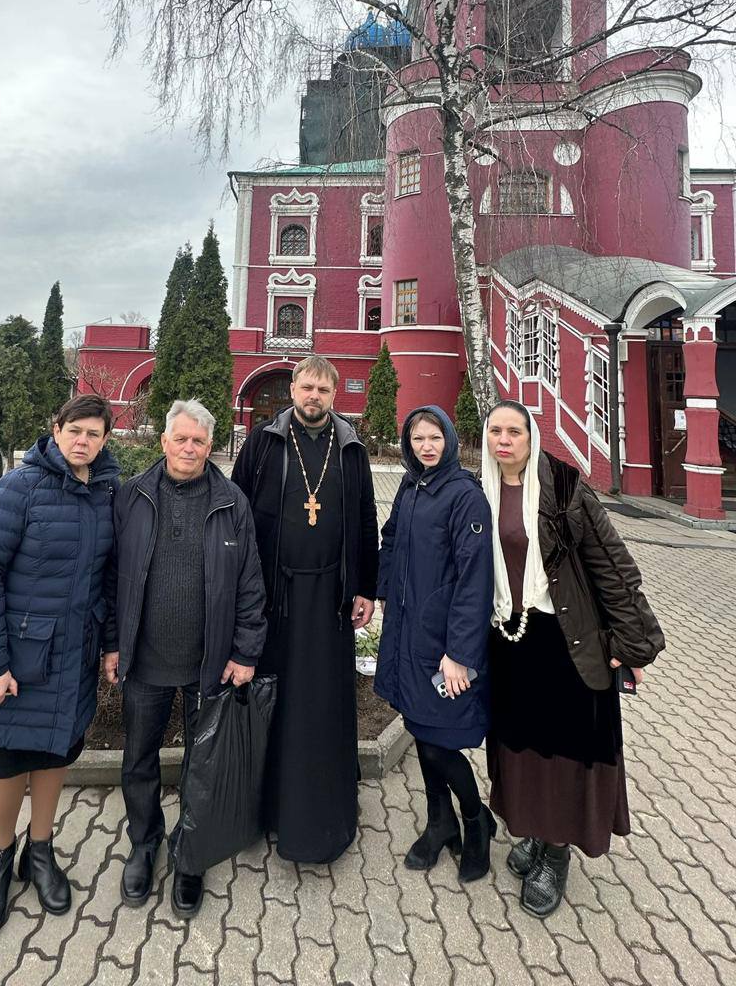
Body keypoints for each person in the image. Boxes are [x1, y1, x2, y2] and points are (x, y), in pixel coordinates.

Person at [481, 400, 665, 917]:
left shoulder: (563, 489)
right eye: (495, 431)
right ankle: (536, 831)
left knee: (562, 747)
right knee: (521, 745)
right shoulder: (481, 490)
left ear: (531, 436)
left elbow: (612, 564)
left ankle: (557, 851)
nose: (503, 441)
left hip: (564, 640)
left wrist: (632, 643)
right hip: (508, 638)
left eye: (514, 431)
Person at [0, 394, 120, 941]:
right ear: (56, 428)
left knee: (54, 752)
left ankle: (40, 851)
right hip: (17, 659)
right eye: (75, 430)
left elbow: (110, 578)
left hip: (73, 656)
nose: (83, 441)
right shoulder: (19, 488)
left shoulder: (107, 492)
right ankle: (1, 857)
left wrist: (110, 644)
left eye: (93, 434)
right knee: (5, 761)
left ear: (105, 440)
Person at [105, 399, 266, 920]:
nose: (190, 448)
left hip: (208, 662)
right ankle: (145, 842)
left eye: (199, 441)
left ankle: (191, 852)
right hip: (145, 658)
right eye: (181, 439)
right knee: (139, 757)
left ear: (210, 446)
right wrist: (112, 643)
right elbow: (112, 577)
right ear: (164, 441)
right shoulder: (133, 495)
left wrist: (244, 651)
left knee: (203, 763)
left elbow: (250, 583)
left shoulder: (232, 502)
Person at [231, 354, 379, 863]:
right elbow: (238, 512)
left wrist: (366, 587)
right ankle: (271, 803)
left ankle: (325, 802)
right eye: (306, 387)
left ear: (334, 395)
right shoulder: (264, 441)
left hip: (331, 600)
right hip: (277, 598)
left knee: (322, 700)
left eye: (323, 389)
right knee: (280, 696)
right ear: (293, 389)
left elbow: (365, 517)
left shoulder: (351, 446)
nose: (314, 396)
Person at [375, 406, 496, 881]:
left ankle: (476, 821)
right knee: (422, 731)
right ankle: (440, 822)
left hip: (443, 642)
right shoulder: (411, 485)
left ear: (449, 439)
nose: (426, 446)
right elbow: (390, 539)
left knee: (440, 741)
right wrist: (383, 589)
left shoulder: (465, 496)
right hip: (409, 631)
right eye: (418, 439)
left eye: (434, 438)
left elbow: (475, 578)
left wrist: (460, 654)